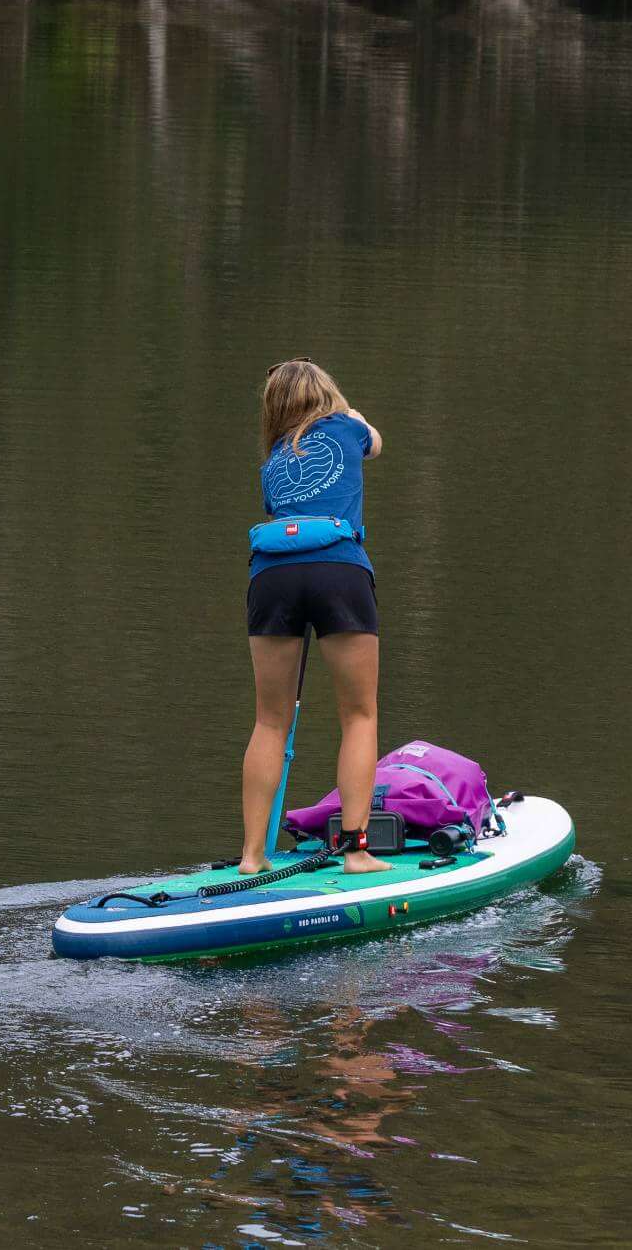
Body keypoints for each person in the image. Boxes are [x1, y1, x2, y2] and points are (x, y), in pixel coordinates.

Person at [242, 358, 386, 875]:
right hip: (338, 571)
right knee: (359, 714)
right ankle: (356, 852)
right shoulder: (347, 427)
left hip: (270, 576)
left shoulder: (273, 461)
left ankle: (252, 856)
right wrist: (352, 411)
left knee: (268, 720)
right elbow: (375, 441)